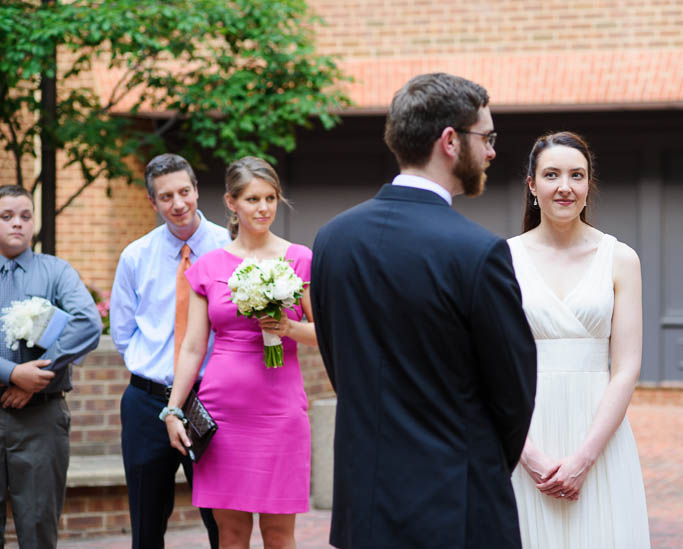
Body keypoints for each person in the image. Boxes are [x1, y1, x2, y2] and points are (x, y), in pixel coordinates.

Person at [311, 72, 538, 549]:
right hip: (456, 504)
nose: (493, 151)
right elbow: (513, 393)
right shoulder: (479, 252)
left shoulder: (333, 239)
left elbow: (339, 363)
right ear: (450, 141)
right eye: (487, 137)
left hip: (365, 503)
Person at [164, 156, 316, 549]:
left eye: (270, 198)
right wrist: (173, 409)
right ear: (231, 203)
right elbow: (193, 347)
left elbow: (328, 333)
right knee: (230, 535)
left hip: (281, 412)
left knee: (280, 535)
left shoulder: (299, 258)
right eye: (252, 199)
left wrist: (289, 328)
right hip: (223, 414)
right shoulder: (208, 265)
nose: (263, 208)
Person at [508, 132, 650, 548]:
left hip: (598, 435)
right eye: (551, 175)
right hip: (525, 432)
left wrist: (585, 458)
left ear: (589, 185)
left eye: (577, 175)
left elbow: (626, 369)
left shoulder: (620, 258)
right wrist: (527, 454)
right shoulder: (503, 259)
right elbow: (488, 366)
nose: (565, 186)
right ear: (533, 186)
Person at [109, 154, 224, 548]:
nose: (178, 204)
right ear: (152, 202)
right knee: (146, 521)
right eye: (166, 196)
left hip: (209, 400)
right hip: (147, 403)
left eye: (184, 192)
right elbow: (122, 333)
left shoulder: (228, 248)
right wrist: (157, 372)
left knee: (221, 523)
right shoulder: (135, 256)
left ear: (196, 189)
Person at [0, 184, 102, 548]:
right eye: (6, 216)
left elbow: (87, 323)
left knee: (39, 525)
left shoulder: (55, 272)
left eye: (25, 217)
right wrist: (12, 373)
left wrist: (35, 378)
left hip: (40, 419)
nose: (17, 224)